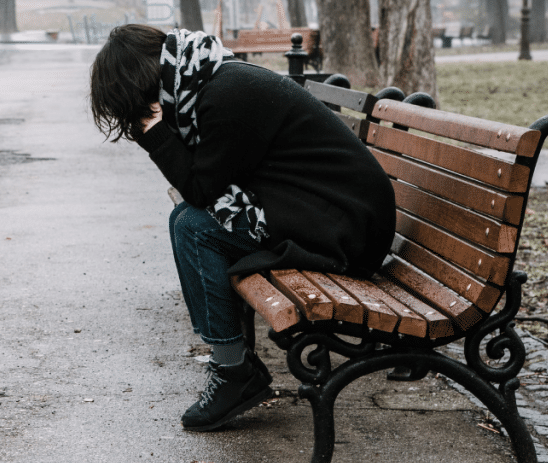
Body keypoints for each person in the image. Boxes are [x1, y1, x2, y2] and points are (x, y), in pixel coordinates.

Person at [89, 24, 397, 432]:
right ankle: (232, 358)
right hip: (325, 212)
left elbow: (200, 189)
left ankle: (234, 371)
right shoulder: (211, 80)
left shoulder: (227, 95)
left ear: (143, 83)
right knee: (187, 220)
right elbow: (207, 184)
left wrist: (155, 132)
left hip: (346, 230)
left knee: (194, 227)